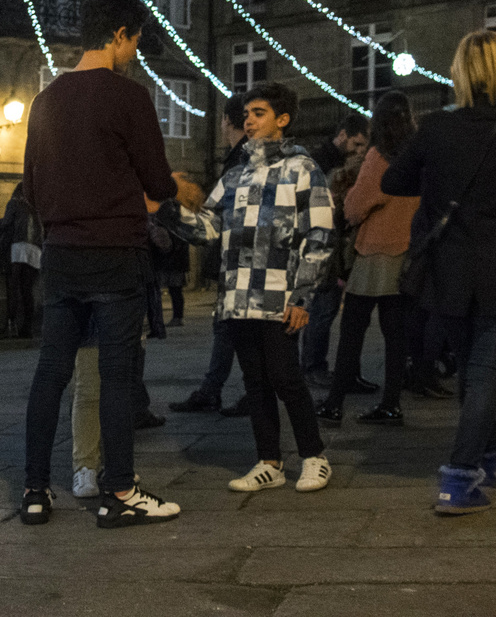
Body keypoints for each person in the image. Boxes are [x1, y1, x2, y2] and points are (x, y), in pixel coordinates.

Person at [19, 0, 195, 529]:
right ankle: (119, 492)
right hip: (116, 253)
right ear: (119, 34)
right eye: (136, 41)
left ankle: (34, 490)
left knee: (52, 373)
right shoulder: (128, 97)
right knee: (117, 376)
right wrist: (173, 188)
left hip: (62, 254)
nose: (136, 53)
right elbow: (157, 181)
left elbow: (31, 185)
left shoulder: (45, 100)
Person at [383, 31, 496, 515]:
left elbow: (392, 179)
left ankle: (492, 449)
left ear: (459, 71)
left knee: (472, 368)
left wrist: (439, 179)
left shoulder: (437, 129)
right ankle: (460, 478)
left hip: (451, 268)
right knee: (484, 372)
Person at [159, 82, 335, 496]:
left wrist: (303, 295)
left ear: (282, 119)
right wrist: (166, 209)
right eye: (247, 115)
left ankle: (314, 456)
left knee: (286, 378)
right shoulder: (236, 174)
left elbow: (320, 234)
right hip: (238, 297)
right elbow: (209, 228)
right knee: (254, 382)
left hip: (278, 297)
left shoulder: (303, 169)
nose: (249, 121)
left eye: (258, 113)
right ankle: (269, 462)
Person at [317, 91, 419, 427]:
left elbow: (358, 204)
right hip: (406, 251)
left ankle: (334, 403)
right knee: (395, 335)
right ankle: (391, 403)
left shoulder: (379, 156)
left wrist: (349, 204)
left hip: (375, 252)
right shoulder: (417, 155)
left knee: (351, 331)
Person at [170, 96, 252, 415]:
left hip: (238, 255)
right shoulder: (240, 157)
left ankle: (244, 390)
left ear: (226, 122)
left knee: (236, 325)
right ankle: (215, 389)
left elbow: (221, 211)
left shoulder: (241, 158)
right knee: (226, 324)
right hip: (238, 255)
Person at [299, 113, 371, 385]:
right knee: (323, 307)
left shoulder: (331, 160)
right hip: (323, 242)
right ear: (342, 136)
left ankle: (312, 365)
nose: (360, 151)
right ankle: (313, 366)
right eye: (357, 144)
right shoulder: (322, 163)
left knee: (323, 307)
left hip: (329, 242)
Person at [0, 184, 41, 339]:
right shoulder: (36, 207)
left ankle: (10, 326)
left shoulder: (15, 203)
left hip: (19, 247)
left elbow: (6, 223)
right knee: (27, 290)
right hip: (35, 250)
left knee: (13, 288)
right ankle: (27, 328)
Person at [150, 213, 189, 327]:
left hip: (168, 261)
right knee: (175, 290)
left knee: (165, 291)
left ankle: (165, 319)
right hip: (176, 262)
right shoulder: (180, 223)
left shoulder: (163, 220)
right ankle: (177, 317)